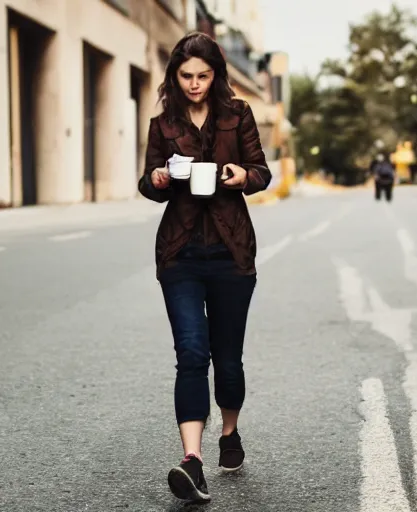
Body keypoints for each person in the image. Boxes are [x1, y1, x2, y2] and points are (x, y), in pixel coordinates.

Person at [138, 32, 271, 503]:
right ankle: (192, 462)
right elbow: (150, 181)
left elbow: (261, 171)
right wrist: (155, 179)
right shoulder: (163, 123)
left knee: (227, 358)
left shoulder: (238, 116)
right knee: (192, 353)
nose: (194, 84)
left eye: (203, 76)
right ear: (175, 76)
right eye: (186, 76)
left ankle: (229, 433)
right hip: (180, 252)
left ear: (216, 76)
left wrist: (240, 175)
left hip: (232, 252)